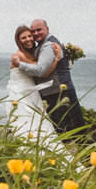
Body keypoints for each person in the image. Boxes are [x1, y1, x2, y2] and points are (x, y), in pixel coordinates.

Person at [9, 17, 86, 134]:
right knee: (63, 128)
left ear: (47, 29)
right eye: (33, 31)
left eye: (39, 30)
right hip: (50, 92)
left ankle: (81, 151)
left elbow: (41, 71)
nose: (35, 34)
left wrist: (20, 64)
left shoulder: (48, 45)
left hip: (58, 91)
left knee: (70, 129)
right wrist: (58, 60)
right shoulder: (35, 48)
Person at [6, 25, 67, 154]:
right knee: (28, 121)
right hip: (21, 94)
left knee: (39, 121)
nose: (28, 39)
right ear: (18, 40)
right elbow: (42, 72)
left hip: (31, 92)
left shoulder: (30, 53)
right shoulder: (19, 56)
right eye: (23, 38)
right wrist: (56, 58)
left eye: (29, 36)